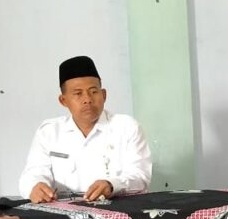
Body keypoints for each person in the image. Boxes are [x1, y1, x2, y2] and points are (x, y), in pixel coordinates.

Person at [18, 55, 152, 203]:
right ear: (63, 101)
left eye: (93, 92)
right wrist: (35, 186)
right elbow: (33, 173)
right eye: (78, 93)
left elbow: (141, 177)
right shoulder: (49, 132)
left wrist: (111, 185)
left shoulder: (126, 127)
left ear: (104, 95)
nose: (87, 99)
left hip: (117, 209)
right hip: (64, 212)